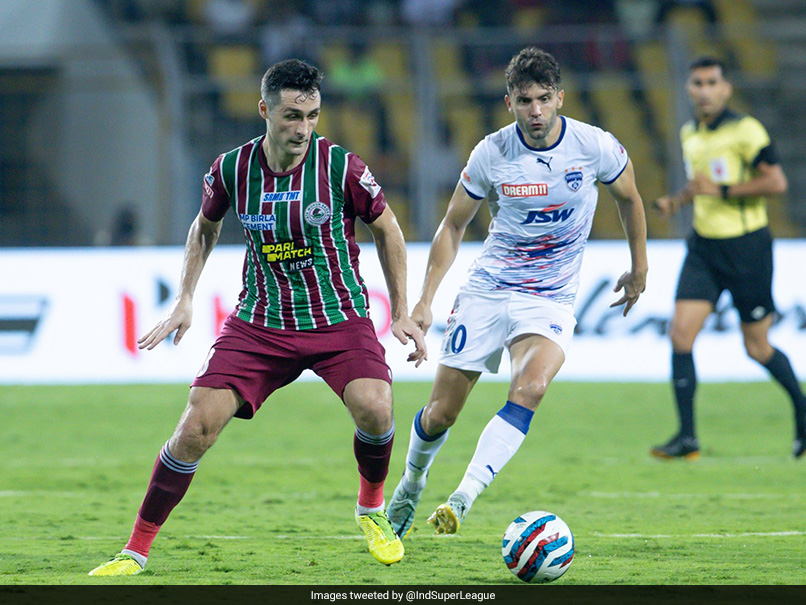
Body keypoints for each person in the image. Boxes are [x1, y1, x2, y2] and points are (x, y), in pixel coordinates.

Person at [88, 59, 426, 576]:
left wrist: (401, 310)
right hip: (260, 323)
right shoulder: (231, 168)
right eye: (292, 115)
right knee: (194, 429)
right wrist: (185, 297)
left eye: (312, 116)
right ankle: (134, 550)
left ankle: (371, 508)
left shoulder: (342, 168)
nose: (303, 128)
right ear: (264, 109)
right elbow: (204, 228)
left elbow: (390, 230)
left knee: (376, 409)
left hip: (336, 317)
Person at [386, 46, 648, 538]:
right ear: (509, 102)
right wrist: (425, 300)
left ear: (560, 99)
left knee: (532, 387)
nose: (536, 112)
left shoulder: (595, 146)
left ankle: (462, 499)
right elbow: (452, 226)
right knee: (442, 413)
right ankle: (412, 481)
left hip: (548, 298)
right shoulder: (492, 152)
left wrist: (640, 268)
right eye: (524, 101)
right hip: (489, 290)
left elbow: (630, 198)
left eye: (544, 100)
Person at [650, 57, 806, 460]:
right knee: (680, 335)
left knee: (756, 348)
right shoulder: (690, 133)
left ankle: (803, 414)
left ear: (725, 88)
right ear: (689, 89)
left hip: (746, 249)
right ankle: (687, 438)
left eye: (711, 82)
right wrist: (678, 200)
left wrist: (719, 192)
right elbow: (700, 182)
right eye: (697, 83)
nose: (704, 90)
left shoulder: (746, 130)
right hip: (704, 248)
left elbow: (776, 181)